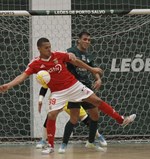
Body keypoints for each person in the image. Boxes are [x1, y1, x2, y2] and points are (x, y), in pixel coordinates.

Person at [0, 37, 136, 155]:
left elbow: (75, 61)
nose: (49, 49)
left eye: (50, 47)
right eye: (46, 48)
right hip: (58, 93)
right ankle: (51, 146)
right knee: (52, 115)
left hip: (73, 86)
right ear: (39, 48)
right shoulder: (35, 64)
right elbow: (22, 77)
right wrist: (8, 85)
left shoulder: (58, 55)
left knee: (97, 101)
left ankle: (121, 120)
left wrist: (92, 69)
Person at [36, 87, 107, 149]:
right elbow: (44, 87)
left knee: (85, 118)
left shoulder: (67, 75)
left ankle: (98, 135)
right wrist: (40, 99)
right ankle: (43, 140)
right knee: (49, 117)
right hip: (57, 100)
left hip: (69, 100)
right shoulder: (50, 75)